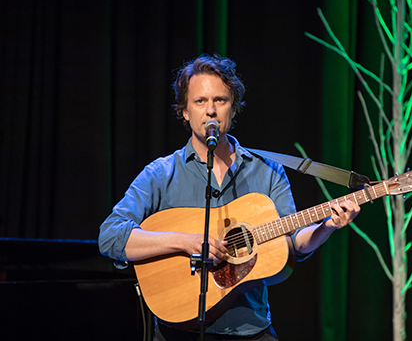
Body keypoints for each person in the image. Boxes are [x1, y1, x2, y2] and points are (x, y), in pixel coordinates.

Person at [98, 53, 360, 340]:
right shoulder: (161, 173)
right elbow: (111, 236)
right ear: (185, 111)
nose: (210, 110)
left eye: (220, 101)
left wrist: (327, 226)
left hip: (250, 330)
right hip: (177, 330)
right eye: (200, 101)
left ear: (233, 109)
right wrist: (185, 241)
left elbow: (293, 242)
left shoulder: (268, 171)